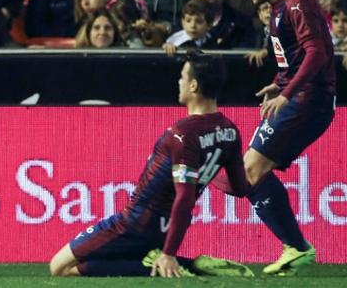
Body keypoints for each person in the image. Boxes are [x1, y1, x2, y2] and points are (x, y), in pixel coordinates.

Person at [49, 50, 254, 278]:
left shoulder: (182, 134)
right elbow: (240, 188)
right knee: (92, 262)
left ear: (194, 86)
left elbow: (184, 197)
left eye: (182, 77)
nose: (179, 82)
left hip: (134, 224)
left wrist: (169, 253)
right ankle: (190, 263)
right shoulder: (230, 131)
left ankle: (170, 266)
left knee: (59, 267)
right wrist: (206, 173)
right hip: (163, 230)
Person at [238, 0, 336, 275]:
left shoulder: (298, 2)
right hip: (299, 96)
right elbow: (293, 58)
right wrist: (279, 84)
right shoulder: (279, 8)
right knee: (250, 172)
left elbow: (317, 53)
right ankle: (294, 246)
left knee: (249, 171)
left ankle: (297, 246)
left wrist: (288, 93)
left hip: (310, 99)